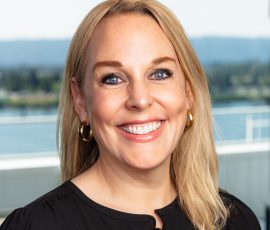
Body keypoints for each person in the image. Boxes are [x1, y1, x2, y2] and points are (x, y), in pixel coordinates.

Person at [0, 0, 261, 229]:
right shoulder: (35, 226)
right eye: (112, 78)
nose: (140, 99)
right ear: (80, 100)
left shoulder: (234, 220)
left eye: (160, 74)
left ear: (188, 93)